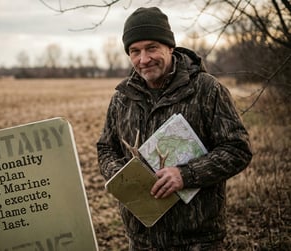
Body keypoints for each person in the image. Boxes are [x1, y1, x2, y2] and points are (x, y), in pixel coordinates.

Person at [96, 6, 252, 251]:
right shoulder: (121, 98)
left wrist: (185, 175)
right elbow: (106, 148)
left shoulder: (207, 90)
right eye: (134, 51)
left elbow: (237, 149)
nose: (143, 59)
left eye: (151, 48)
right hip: (141, 238)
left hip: (197, 239)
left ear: (170, 46)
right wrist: (121, 175)